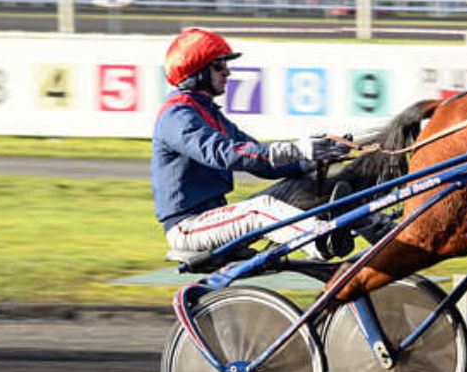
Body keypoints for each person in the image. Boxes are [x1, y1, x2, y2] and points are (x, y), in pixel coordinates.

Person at [152, 27, 354, 261]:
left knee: (300, 185)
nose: (227, 72)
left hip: (216, 217)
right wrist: (298, 148)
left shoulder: (209, 113)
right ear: (196, 73)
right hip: (188, 228)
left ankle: (381, 231)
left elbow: (262, 164)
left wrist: (313, 159)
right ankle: (321, 241)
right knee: (260, 208)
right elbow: (225, 154)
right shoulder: (176, 115)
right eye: (219, 66)